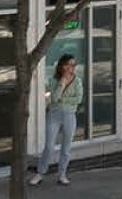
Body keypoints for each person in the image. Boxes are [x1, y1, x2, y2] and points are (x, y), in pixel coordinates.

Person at [30, 55, 83, 186]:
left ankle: (62, 175)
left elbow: (78, 99)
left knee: (66, 147)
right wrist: (62, 84)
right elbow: (54, 98)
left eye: (73, 65)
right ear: (62, 65)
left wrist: (63, 100)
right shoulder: (54, 80)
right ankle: (40, 173)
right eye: (68, 65)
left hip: (70, 115)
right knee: (49, 146)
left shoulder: (77, 81)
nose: (71, 68)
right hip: (54, 115)